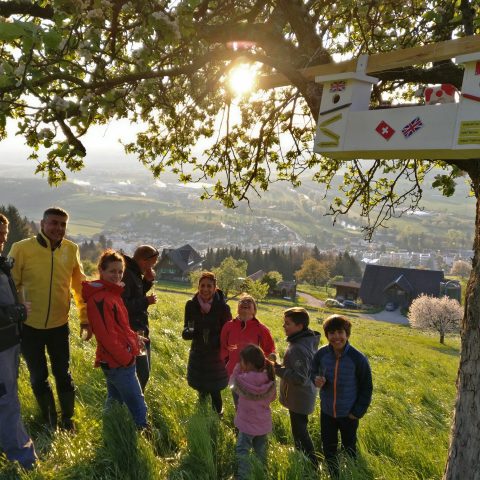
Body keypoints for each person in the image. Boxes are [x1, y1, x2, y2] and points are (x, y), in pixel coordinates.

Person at [9, 207, 89, 431]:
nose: (58, 228)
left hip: (59, 326)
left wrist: (85, 319)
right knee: (38, 377)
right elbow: (8, 285)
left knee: (63, 374)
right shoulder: (21, 248)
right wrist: (14, 312)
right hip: (29, 326)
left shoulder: (72, 249)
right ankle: (50, 420)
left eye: (63, 224)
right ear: (42, 224)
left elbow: (80, 288)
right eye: (54, 223)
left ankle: (67, 420)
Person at [82, 249, 148, 429]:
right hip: (118, 363)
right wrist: (126, 359)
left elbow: (121, 328)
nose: (117, 275)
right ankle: (144, 437)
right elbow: (107, 337)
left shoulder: (113, 294)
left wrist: (135, 339)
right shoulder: (101, 299)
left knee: (114, 400)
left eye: (120, 271)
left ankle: (109, 431)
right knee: (138, 405)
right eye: (112, 271)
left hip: (117, 360)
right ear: (101, 271)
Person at [311, 315, 373, 478]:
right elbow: (313, 371)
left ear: (347, 334)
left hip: (349, 414)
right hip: (327, 412)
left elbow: (367, 387)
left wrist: (357, 412)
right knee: (329, 446)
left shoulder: (357, 358)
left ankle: (351, 472)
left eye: (340, 332)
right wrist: (315, 378)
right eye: (331, 333)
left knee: (349, 447)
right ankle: (334, 474)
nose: (336, 337)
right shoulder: (321, 354)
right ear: (327, 335)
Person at [0, 214, 37, 469]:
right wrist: (18, 312)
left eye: (3, 234)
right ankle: (23, 460)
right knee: (7, 400)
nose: (2, 240)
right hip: (2, 345)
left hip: (8, 342)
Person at [271, 307, 320, 466]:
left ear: (299, 326)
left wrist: (277, 369)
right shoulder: (303, 341)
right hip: (300, 396)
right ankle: (302, 458)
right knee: (299, 430)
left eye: (287, 323)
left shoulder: (299, 347)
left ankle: (312, 464)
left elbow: (300, 377)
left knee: (300, 432)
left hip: (300, 398)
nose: (284, 326)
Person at [182, 271, 231, 415]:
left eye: (209, 286)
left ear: (215, 288)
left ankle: (217, 418)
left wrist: (215, 339)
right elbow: (187, 326)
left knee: (215, 390)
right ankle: (201, 417)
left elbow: (228, 332)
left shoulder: (223, 308)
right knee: (201, 389)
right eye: (202, 285)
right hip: (198, 354)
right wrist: (188, 332)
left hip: (215, 356)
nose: (205, 289)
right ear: (198, 287)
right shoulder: (191, 305)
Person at [230, 344, 276, 480]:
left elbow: (232, 382)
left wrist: (238, 367)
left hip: (246, 425)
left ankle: (243, 476)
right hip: (263, 424)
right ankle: (261, 473)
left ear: (248, 364)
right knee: (261, 451)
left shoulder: (242, 380)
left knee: (243, 450)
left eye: (242, 361)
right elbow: (273, 397)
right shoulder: (270, 378)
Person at [220, 294, 275, 408]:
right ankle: (240, 424)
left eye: (249, 301)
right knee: (238, 404)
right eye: (242, 301)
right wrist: (223, 365)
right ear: (238, 308)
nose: (245, 302)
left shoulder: (261, 328)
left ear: (254, 310)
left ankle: (254, 423)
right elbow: (223, 348)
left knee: (253, 405)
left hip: (254, 375)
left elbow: (269, 350)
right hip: (234, 373)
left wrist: (267, 369)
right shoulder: (228, 326)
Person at [121, 245, 158, 392]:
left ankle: (134, 402)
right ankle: (135, 403)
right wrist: (146, 301)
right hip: (134, 332)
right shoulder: (127, 274)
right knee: (142, 373)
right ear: (144, 261)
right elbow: (124, 305)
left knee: (143, 372)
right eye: (152, 263)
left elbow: (136, 293)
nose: (153, 267)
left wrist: (147, 282)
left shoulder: (134, 273)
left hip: (140, 331)